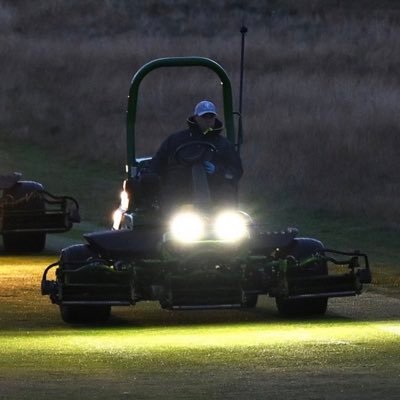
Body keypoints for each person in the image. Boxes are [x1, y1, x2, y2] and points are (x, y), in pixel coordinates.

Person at [149, 100, 243, 210]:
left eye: (211, 117)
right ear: (196, 118)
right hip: (179, 192)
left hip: (216, 194)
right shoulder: (176, 140)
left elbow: (236, 170)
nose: (208, 120)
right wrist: (150, 176)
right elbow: (157, 163)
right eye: (204, 117)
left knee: (227, 199)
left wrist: (217, 170)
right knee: (167, 195)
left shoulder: (223, 144)